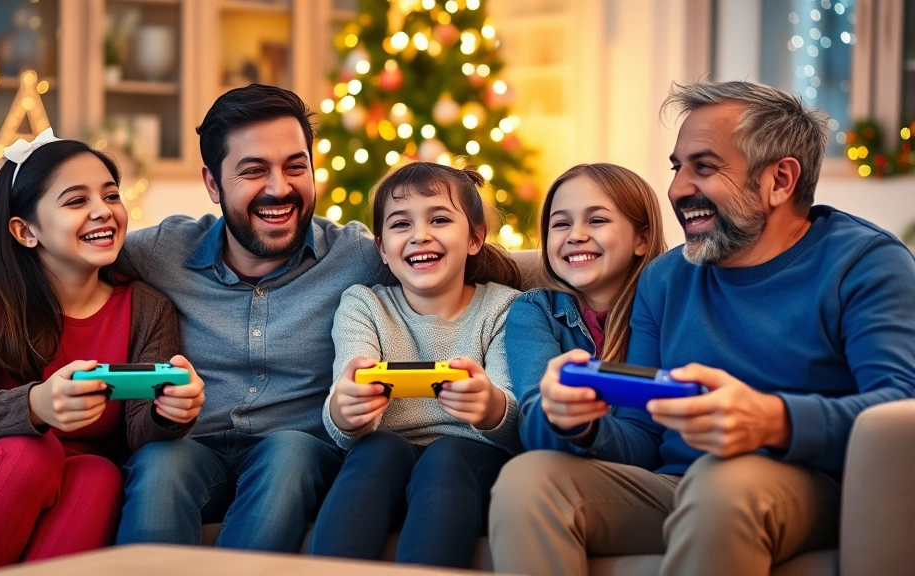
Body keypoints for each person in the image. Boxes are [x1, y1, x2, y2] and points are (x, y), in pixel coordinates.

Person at [0, 85, 392, 552]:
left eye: (295, 166)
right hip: (186, 449)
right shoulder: (162, 252)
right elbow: (56, 251)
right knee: (157, 465)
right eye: (254, 170)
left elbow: (443, 257)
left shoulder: (360, 256)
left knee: (287, 452)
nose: (279, 188)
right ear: (212, 184)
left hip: (292, 454)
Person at [489, 80, 915, 576]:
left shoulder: (864, 263)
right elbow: (641, 432)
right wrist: (580, 423)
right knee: (530, 480)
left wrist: (772, 419)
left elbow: (898, 404)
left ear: (779, 180)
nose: (676, 189)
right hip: (678, 485)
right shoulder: (665, 278)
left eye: (704, 167)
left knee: (723, 484)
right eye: (677, 167)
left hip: (810, 486)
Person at [0, 130, 205, 571]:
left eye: (110, 195)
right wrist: (34, 405)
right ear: (25, 231)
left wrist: (168, 412)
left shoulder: (146, 306)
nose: (103, 211)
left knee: (102, 474)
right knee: (34, 450)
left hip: (75, 483)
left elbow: (139, 434)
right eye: (75, 201)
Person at [308, 162, 521, 568]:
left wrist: (491, 406)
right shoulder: (363, 305)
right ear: (382, 250)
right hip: (383, 459)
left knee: (448, 454)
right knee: (379, 449)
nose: (420, 235)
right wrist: (346, 409)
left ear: (476, 238)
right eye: (401, 224)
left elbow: (513, 418)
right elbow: (345, 394)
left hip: (467, 464)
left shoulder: (503, 308)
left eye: (439, 219)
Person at [503, 163, 667, 450]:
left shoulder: (665, 307)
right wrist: (562, 414)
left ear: (641, 239)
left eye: (597, 221)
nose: (575, 235)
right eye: (561, 224)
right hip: (562, 464)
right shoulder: (533, 311)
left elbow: (651, 440)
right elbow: (533, 422)